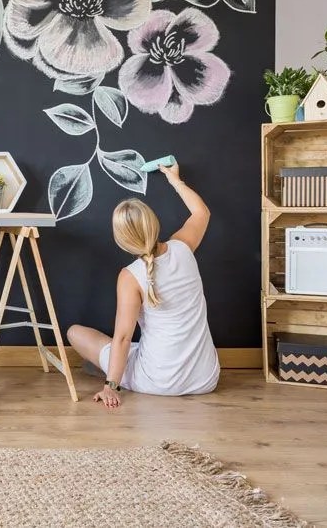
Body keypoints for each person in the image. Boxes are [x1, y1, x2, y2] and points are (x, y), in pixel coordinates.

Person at [67, 162, 219, 409]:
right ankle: (116, 366)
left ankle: (112, 372)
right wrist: (174, 180)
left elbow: (123, 337)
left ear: (122, 240)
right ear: (153, 223)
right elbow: (201, 213)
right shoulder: (183, 248)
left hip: (157, 382)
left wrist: (111, 387)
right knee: (140, 345)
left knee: (75, 332)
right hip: (205, 378)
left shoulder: (130, 276)